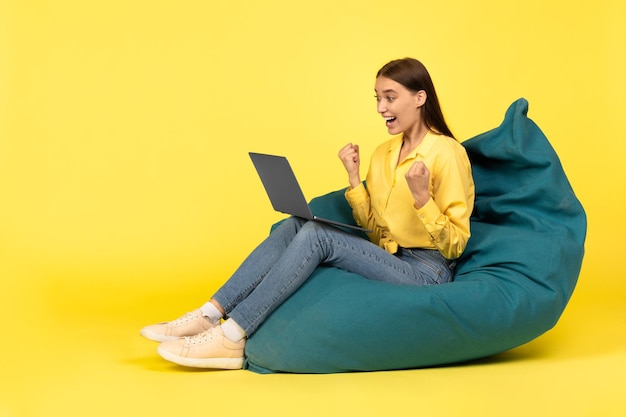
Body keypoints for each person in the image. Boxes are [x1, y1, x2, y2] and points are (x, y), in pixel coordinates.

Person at [140, 57, 475, 369]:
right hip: (390, 255)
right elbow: (376, 230)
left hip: (427, 270)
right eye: (376, 98)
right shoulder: (384, 153)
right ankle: (208, 314)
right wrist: (354, 179)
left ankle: (231, 337)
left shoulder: (447, 154)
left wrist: (422, 200)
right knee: (298, 223)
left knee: (317, 236)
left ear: (419, 98)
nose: (380, 108)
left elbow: (455, 246)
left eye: (389, 98)